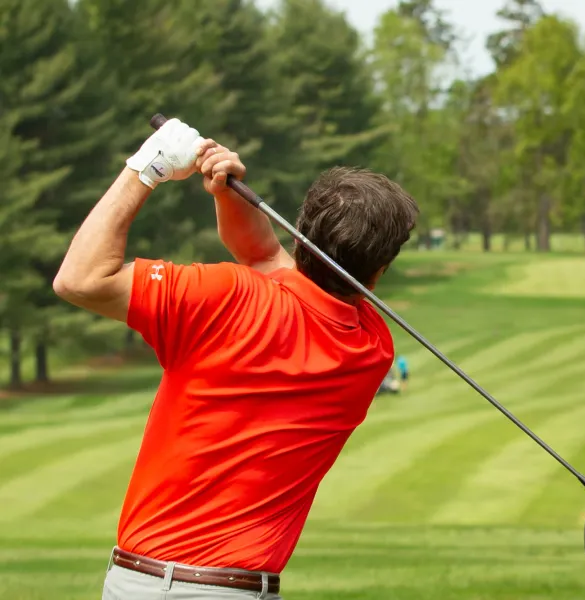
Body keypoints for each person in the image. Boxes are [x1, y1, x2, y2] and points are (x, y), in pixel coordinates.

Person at [52, 118, 418, 599]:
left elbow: (79, 280)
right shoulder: (371, 347)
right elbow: (268, 257)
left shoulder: (224, 296)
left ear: (301, 232)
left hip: (153, 584)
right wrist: (228, 193)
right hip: (244, 590)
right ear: (379, 271)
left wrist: (147, 167)